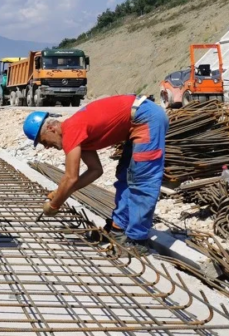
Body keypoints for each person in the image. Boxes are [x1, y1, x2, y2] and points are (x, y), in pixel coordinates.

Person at [22, 95, 169, 254]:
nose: (46, 147)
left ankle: (137, 240)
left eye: (43, 141)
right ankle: (118, 228)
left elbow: (71, 178)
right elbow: (95, 170)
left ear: (51, 128)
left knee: (142, 180)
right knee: (125, 176)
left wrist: (54, 205)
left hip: (146, 118)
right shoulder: (78, 133)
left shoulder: (71, 130)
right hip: (137, 121)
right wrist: (60, 192)